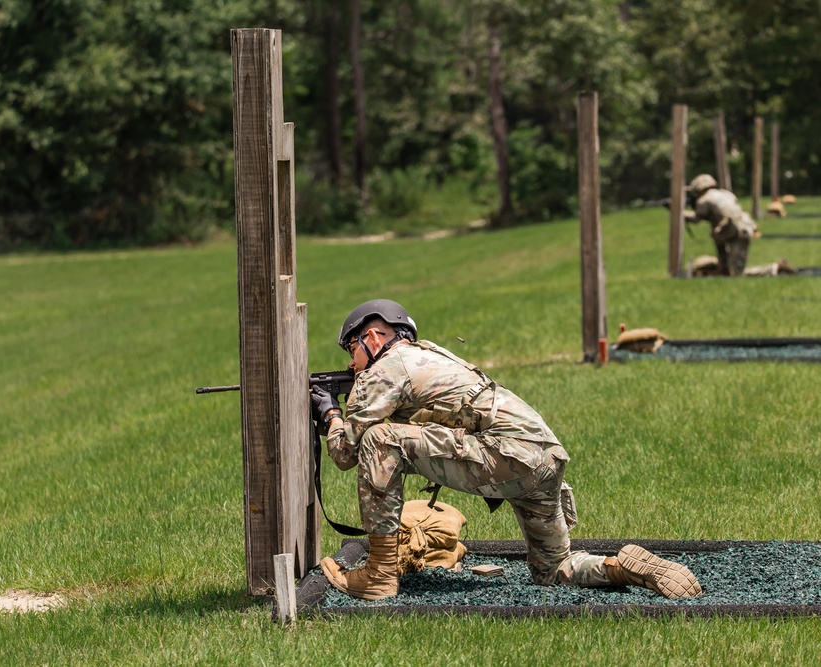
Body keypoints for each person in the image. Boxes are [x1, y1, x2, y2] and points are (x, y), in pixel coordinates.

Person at [310, 299, 704, 601]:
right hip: (543, 457)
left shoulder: (386, 368)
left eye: (352, 350)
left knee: (380, 439)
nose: (353, 364)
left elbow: (346, 453)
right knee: (555, 571)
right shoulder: (430, 357)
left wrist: (330, 412)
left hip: (510, 454)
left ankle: (378, 577)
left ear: (374, 337)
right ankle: (621, 568)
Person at [684, 174, 759, 276]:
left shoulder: (704, 200)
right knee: (733, 268)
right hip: (744, 226)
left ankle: (774, 270)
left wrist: (679, 212)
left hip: (733, 230)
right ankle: (723, 271)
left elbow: (696, 218)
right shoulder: (726, 193)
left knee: (737, 272)